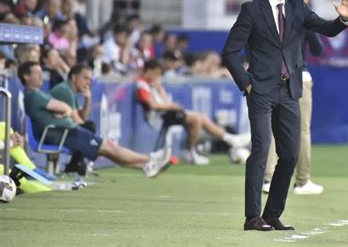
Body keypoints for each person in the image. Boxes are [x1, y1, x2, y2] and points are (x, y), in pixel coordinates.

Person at [222, 0, 348, 231]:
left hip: (289, 90)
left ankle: (272, 215)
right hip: (260, 91)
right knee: (260, 149)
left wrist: (343, 18)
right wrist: (246, 83)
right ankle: (252, 217)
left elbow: (327, 29)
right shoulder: (251, 10)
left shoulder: (297, 6)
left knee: (291, 154)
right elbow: (230, 52)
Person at [17, 61, 169, 178]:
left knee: (109, 150)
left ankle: (146, 165)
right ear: (26, 76)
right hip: (62, 133)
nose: (88, 82)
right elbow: (72, 115)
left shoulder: (47, 93)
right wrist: (65, 110)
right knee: (109, 147)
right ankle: (150, 158)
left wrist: (87, 100)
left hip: (66, 132)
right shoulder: (39, 94)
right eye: (36, 73)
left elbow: (77, 116)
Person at [262, 0, 324, 195]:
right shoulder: (303, 18)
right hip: (299, 76)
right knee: (302, 131)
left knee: (271, 127)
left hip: (272, 77)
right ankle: (302, 180)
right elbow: (317, 49)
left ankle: (268, 179)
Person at [136, 59, 251, 165]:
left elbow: (164, 101)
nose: (158, 76)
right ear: (150, 71)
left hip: (166, 113)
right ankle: (192, 151)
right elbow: (152, 105)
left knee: (201, 117)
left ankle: (227, 139)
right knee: (196, 119)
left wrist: (160, 89)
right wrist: (170, 106)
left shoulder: (153, 84)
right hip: (158, 117)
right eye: (157, 73)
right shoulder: (142, 84)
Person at [50, 64, 94, 175]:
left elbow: (83, 118)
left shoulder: (70, 90)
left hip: (59, 130)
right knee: (88, 128)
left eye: (90, 79)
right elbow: (78, 121)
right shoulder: (65, 91)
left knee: (88, 127)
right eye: (85, 78)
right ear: (74, 78)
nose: (88, 82)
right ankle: (74, 164)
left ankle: (75, 163)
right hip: (51, 132)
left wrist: (88, 100)